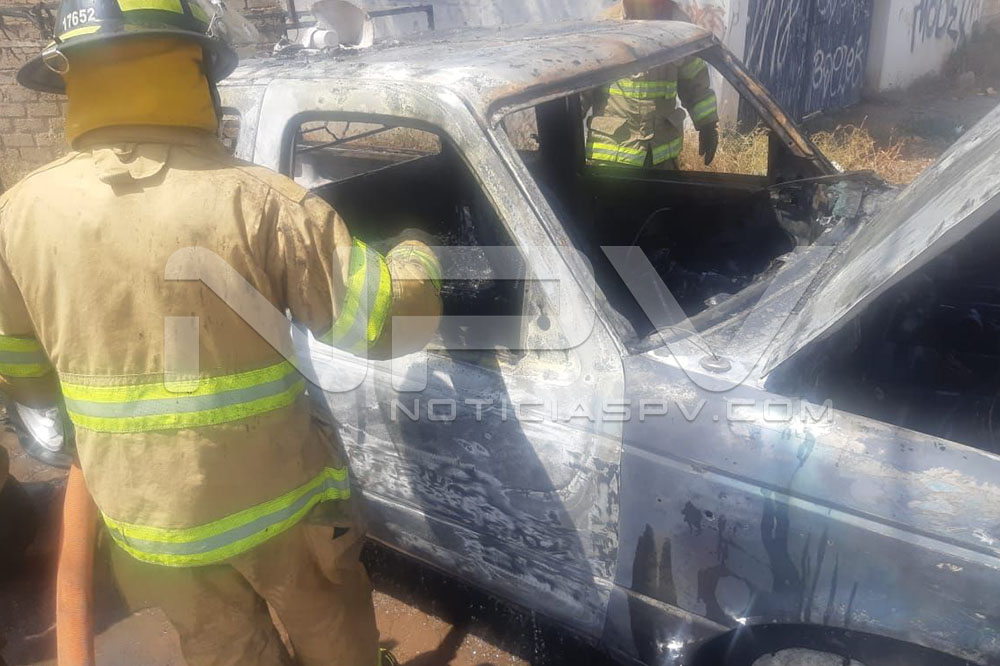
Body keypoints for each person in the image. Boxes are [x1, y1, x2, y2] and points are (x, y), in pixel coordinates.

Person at [2, 0, 442, 662]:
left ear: (74, 78)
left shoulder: (18, 216)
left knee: (226, 653)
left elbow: (22, 374)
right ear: (195, 68)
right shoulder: (261, 203)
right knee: (336, 640)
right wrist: (417, 255)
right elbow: (383, 325)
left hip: (152, 531)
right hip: (284, 512)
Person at [588, 0, 720, 169]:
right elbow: (580, 87)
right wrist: (562, 133)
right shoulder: (605, 25)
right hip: (613, 157)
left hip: (661, 155)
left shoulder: (679, 24)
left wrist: (708, 125)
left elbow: (694, 79)